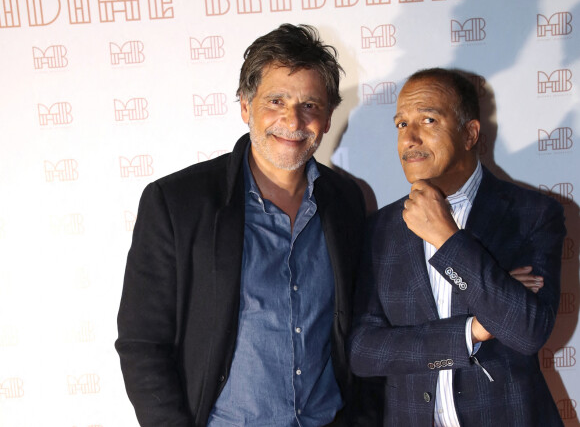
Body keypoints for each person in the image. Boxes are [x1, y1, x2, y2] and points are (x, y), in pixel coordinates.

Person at [116, 24, 380, 426]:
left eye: (310, 105)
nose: (292, 119)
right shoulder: (177, 204)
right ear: (245, 106)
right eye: (276, 100)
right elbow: (142, 344)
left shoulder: (347, 200)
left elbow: (362, 326)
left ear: (327, 118)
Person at [348, 67, 566, 426]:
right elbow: (363, 351)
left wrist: (447, 239)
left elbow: (527, 330)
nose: (410, 138)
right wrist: (473, 331)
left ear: (469, 133)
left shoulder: (533, 214)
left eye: (428, 120)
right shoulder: (379, 229)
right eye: (401, 124)